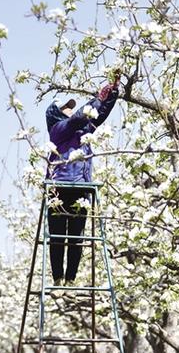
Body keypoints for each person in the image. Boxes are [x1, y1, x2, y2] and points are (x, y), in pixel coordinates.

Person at [44, 72, 121, 285]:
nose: (70, 111)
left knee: (77, 236)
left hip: (81, 187)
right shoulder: (58, 130)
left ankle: (70, 278)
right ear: (56, 114)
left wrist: (112, 91)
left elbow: (99, 114)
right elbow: (81, 116)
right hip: (60, 187)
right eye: (65, 108)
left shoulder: (83, 131)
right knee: (59, 236)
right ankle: (58, 276)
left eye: (71, 108)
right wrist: (99, 96)